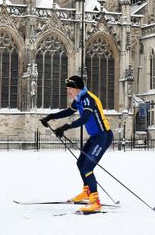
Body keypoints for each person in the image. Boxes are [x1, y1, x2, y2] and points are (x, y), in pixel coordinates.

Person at [40, 75, 113, 213]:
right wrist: (50, 117)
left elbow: (84, 119)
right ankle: (87, 192)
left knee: (87, 167)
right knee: (80, 163)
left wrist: (65, 127)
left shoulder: (88, 99)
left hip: (103, 136)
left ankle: (95, 201)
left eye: (69, 89)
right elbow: (68, 111)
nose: (68, 91)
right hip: (95, 136)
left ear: (76, 88)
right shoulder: (79, 99)